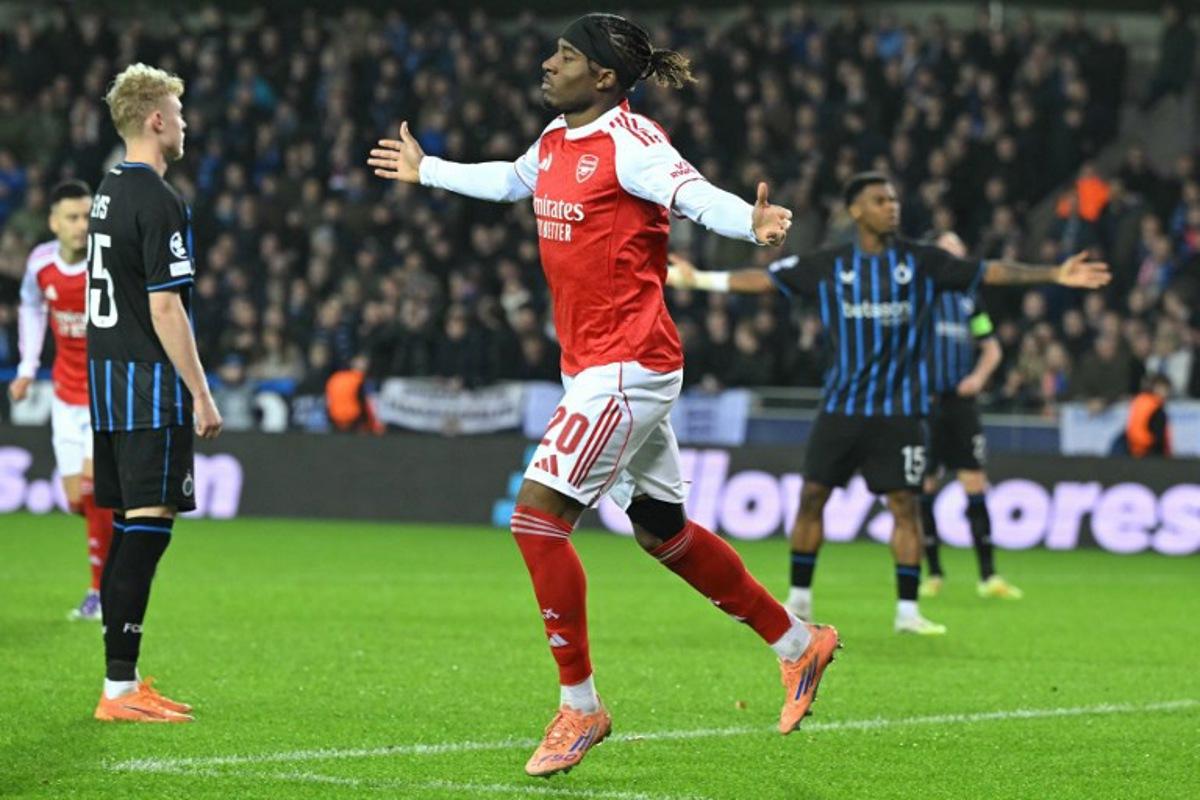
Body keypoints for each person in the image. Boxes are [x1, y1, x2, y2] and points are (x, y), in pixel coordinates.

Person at [369, 13, 839, 778]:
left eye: (566, 55)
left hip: (627, 365)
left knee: (535, 521)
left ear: (606, 78)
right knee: (662, 532)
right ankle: (798, 642)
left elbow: (693, 195)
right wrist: (431, 170)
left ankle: (580, 707)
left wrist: (750, 223)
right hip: (592, 366)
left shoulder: (632, 142)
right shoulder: (556, 141)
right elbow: (511, 181)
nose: (549, 63)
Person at [667, 172, 1109, 636]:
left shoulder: (921, 262)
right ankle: (797, 598)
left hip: (900, 411)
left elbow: (989, 270)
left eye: (894, 199)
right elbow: (764, 280)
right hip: (842, 407)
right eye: (879, 200)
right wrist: (702, 281)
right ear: (856, 210)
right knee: (812, 498)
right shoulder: (831, 264)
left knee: (905, 506)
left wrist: (1053, 273)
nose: (891, 207)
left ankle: (907, 612)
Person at [87, 63, 223, 723]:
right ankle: (118, 691)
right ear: (156, 119)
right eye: (180, 110)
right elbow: (166, 309)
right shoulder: (159, 200)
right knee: (147, 532)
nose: (186, 123)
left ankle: (123, 677)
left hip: (110, 389)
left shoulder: (108, 189)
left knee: (127, 533)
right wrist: (202, 393)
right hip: (147, 389)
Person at [10, 179, 115, 621]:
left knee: (93, 493)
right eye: (72, 217)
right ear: (54, 222)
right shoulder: (40, 264)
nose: (81, 225)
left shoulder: (105, 263)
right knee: (75, 500)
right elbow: (30, 309)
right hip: (63, 395)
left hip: (104, 394)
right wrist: (27, 368)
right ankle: (115, 539)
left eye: (87, 216)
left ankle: (100, 591)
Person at [917, 232, 1023, 601]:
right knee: (925, 486)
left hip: (960, 407)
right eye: (947, 251)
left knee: (974, 482)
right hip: (926, 403)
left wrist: (977, 378)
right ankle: (933, 574)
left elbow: (991, 348)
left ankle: (988, 576)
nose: (954, 258)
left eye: (959, 251)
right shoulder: (918, 297)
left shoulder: (969, 302)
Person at [1125, 374, 1173, 457]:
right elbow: (1158, 436)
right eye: (1165, 389)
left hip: (1135, 450)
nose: (1167, 393)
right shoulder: (1155, 408)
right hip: (1150, 452)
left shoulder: (1140, 401)